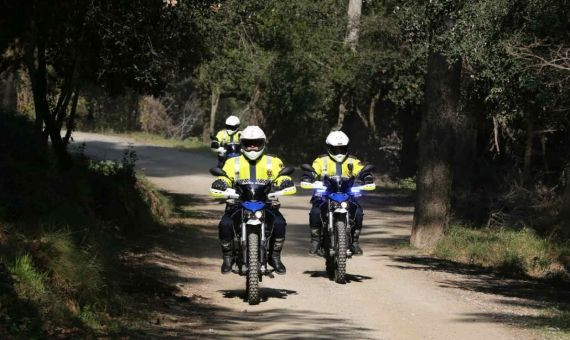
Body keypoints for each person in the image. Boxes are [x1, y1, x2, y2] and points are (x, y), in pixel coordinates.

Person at [210, 126, 296, 274]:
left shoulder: (273, 161)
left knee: (280, 223)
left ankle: (275, 257)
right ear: (242, 144)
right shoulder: (232, 162)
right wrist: (221, 183)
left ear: (262, 143)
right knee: (225, 224)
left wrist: (284, 182)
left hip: (267, 204)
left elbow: (282, 175)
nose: (252, 147)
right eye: (248, 143)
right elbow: (223, 177)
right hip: (238, 204)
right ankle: (228, 257)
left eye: (256, 143)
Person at [302, 131, 374, 256]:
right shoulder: (321, 160)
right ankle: (315, 240)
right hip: (324, 194)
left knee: (358, 212)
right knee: (315, 212)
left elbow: (361, 170)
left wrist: (366, 177)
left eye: (342, 149)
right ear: (329, 148)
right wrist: (308, 177)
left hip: (347, 194)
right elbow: (313, 171)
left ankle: (355, 241)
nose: (339, 152)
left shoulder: (353, 160)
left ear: (347, 148)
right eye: (336, 149)